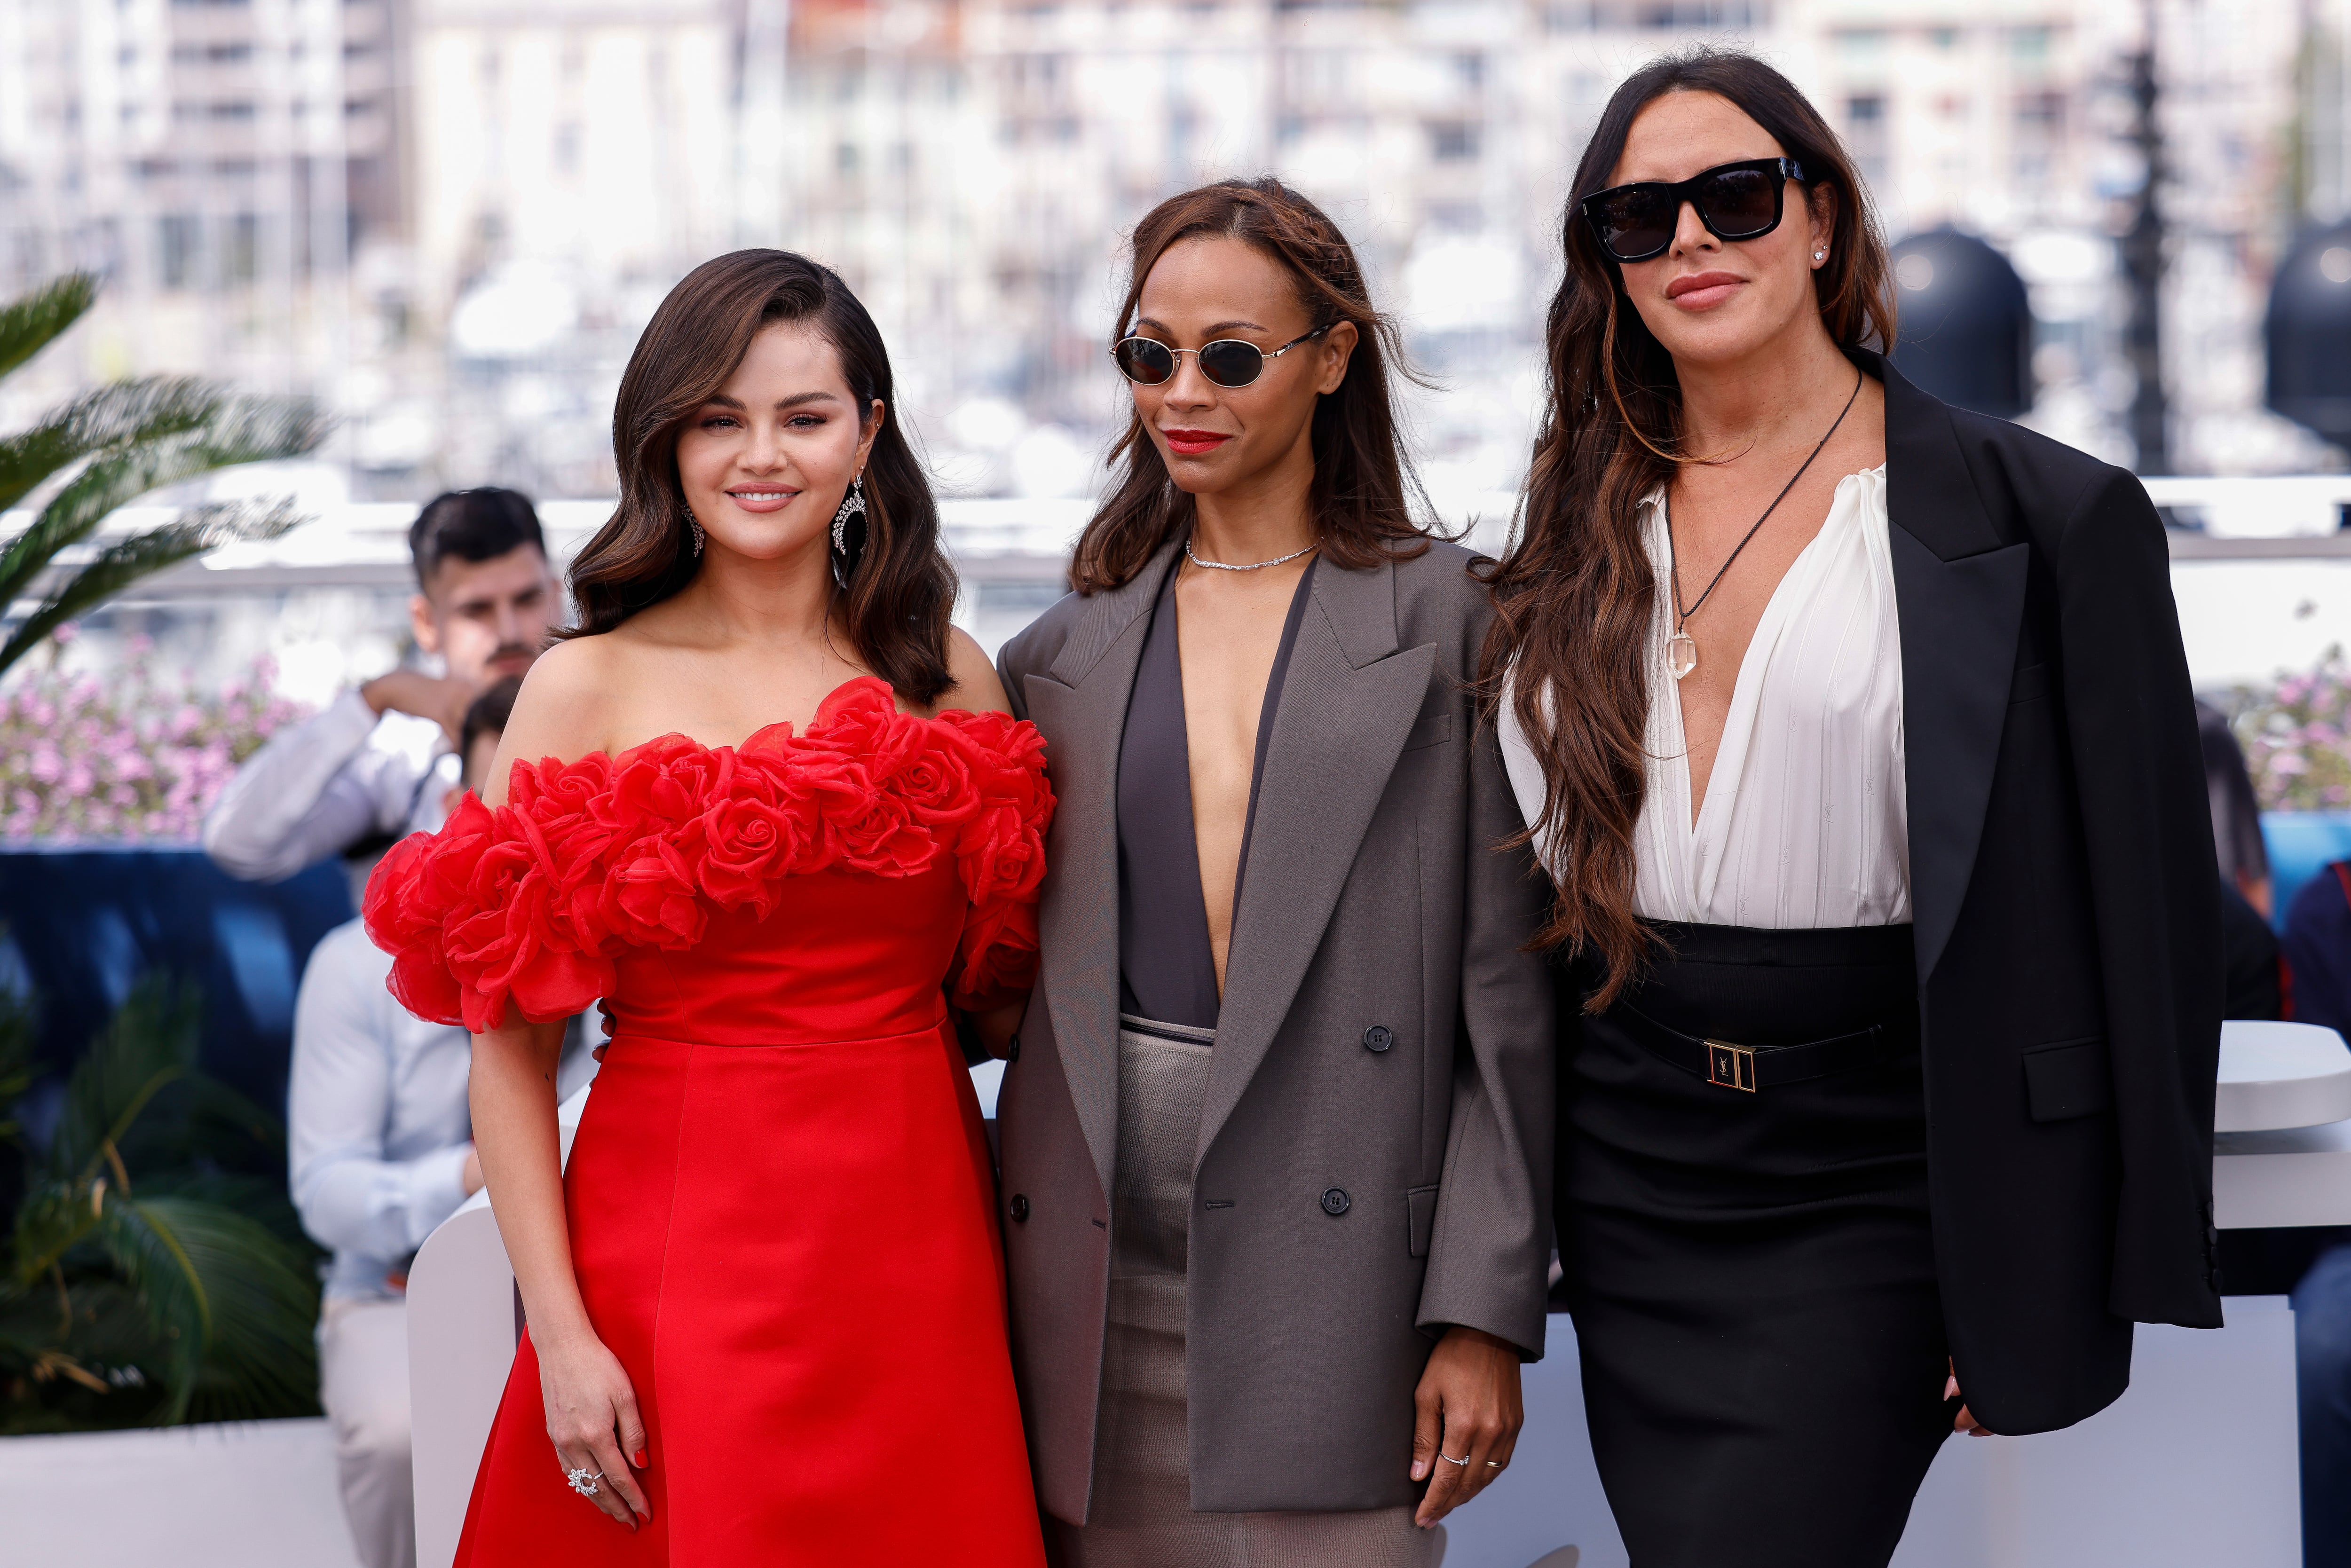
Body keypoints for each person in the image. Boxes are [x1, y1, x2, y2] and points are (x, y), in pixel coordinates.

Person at [1484, 49, 2222, 1568]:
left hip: (1878, 1175)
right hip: (1629, 1162)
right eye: (1638, 219)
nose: (1689, 239)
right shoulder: (1574, 519)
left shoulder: (2049, 516)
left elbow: (2146, 926)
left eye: (1734, 196)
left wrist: (2060, 1269)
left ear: (1821, 219)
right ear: (1606, 267)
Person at [362, 248, 1050, 1564]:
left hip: (920, 1246)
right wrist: (562, 1338)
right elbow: (505, 1055)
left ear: (870, 432)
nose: (762, 455)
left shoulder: (952, 675)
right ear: (666, 440)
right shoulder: (582, 686)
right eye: (720, 418)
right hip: (671, 1243)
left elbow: (1009, 991)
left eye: (804, 416)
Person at [994, 178, 1554, 1566]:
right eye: (1148, 353)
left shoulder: (1454, 624)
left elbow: (1508, 1003)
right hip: (1089, 1276)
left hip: (1346, 1267)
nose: (1182, 390)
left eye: (1230, 356)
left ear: (1332, 358)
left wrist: (1482, 1308)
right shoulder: (1051, 657)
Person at [291, 677, 596, 1568]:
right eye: (500, 793)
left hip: (599, 1276)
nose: (529, 824)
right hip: (390, 1287)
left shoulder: (638, 927)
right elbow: (329, 1195)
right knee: (396, 1438)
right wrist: (477, 1174)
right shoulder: (353, 967)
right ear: (462, 802)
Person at [205, 488, 558, 884]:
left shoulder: (611, 722)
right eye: (476, 610)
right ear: (426, 623)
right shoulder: (398, 763)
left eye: (527, 600)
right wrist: (371, 701)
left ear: (557, 596)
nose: (509, 631)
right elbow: (238, 845)